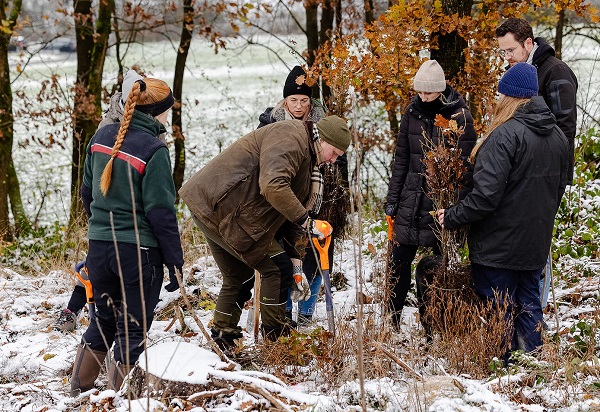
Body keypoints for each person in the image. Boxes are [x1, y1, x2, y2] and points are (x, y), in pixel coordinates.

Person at [179, 115, 351, 347]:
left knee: (239, 276)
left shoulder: (308, 158)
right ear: (323, 140)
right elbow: (273, 185)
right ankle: (275, 339)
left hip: (222, 208)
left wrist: (297, 263)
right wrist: (307, 223)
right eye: (334, 153)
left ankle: (222, 338)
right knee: (276, 270)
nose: (333, 161)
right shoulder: (291, 137)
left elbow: (289, 215)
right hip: (220, 206)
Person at [437, 63, 569, 358]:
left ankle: (502, 373)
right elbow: (558, 191)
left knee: (499, 310)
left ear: (509, 97)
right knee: (529, 306)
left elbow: (485, 197)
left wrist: (453, 216)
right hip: (535, 243)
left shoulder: (503, 136)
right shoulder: (559, 137)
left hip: (498, 247)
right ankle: (533, 369)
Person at [70, 76, 184, 395]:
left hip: (99, 251)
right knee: (132, 331)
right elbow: (161, 214)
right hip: (138, 256)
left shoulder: (100, 137)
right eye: (167, 111)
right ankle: (122, 400)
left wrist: (102, 232)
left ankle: (78, 390)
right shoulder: (154, 149)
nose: (167, 117)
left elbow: (86, 193)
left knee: (102, 323)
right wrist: (175, 262)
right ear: (157, 113)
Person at [385, 60, 476, 327]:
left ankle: (432, 324)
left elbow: (466, 167)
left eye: (429, 93)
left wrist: (457, 208)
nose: (423, 97)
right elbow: (401, 158)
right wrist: (393, 199)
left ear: (441, 88)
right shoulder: (411, 112)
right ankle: (391, 321)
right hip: (410, 199)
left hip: (441, 203)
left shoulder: (459, 115)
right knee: (398, 264)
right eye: (420, 92)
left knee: (437, 267)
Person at [496, 17, 578, 309]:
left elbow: (565, 130)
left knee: (537, 243)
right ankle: (521, 307)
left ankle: (537, 311)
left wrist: (548, 174)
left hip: (548, 176)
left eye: (510, 51)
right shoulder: (519, 71)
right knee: (520, 238)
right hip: (522, 172)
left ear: (528, 44)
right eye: (502, 52)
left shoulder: (556, 73)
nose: (506, 58)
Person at [257, 65, 348, 326]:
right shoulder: (270, 123)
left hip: (321, 200)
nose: (298, 106)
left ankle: (306, 312)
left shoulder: (326, 125)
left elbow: (339, 160)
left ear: (311, 101)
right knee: (284, 259)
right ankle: (284, 312)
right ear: (285, 100)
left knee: (318, 258)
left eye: (304, 100)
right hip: (281, 203)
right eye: (293, 100)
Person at [55, 69, 145, 333]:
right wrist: (99, 218)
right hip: (109, 212)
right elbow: (90, 185)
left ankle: (110, 315)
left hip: (130, 215)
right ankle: (72, 310)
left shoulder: (148, 125)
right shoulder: (108, 129)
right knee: (95, 264)